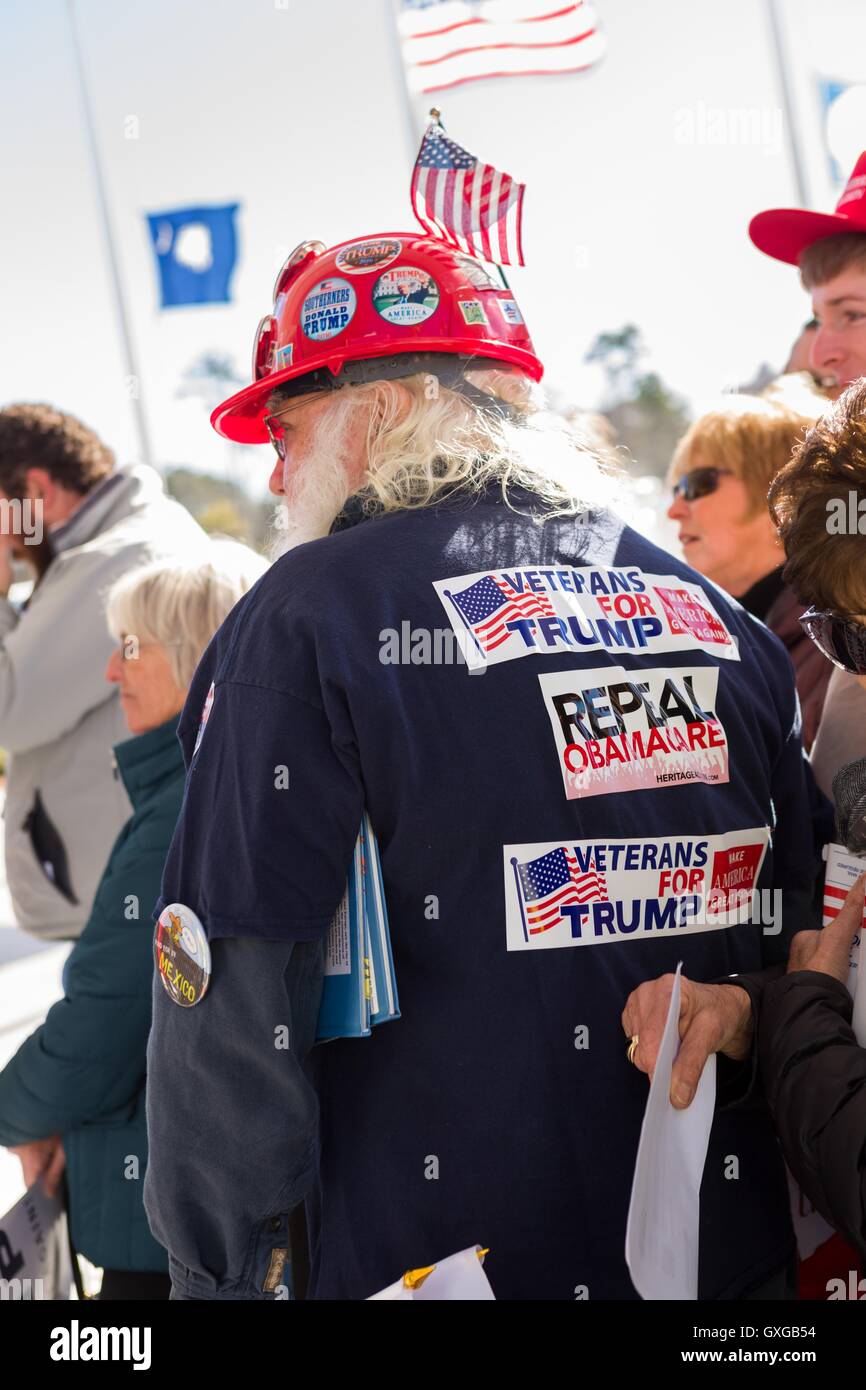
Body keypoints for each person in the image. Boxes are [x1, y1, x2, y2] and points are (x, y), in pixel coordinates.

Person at [144, 231, 822, 1302]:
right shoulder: (714, 618)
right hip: (720, 1262)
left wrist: (211, 1274)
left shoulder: (306, 618)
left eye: (285, 426)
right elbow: (813, 938)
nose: (272, 470)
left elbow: (225, 1011)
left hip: (439, 1262)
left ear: (376, 410)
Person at [0, 543, 267, 1300]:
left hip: (166, 1249)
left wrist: (16, 1111)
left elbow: (104, 1027)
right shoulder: (223, 785)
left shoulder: (182, 812)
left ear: (192, 655)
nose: (112, 672)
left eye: (129, 649)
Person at [0, 405, 208, 941]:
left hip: (125, 904)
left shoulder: (108, 560)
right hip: (134, 883)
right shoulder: (131, 540)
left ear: (37, 490)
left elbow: (9, 710)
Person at [667, 394, 830, 749]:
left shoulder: (840, 645)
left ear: (782, 489)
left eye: (697, 484)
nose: (675, 510)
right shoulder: (746, 635)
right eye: (675, 491)